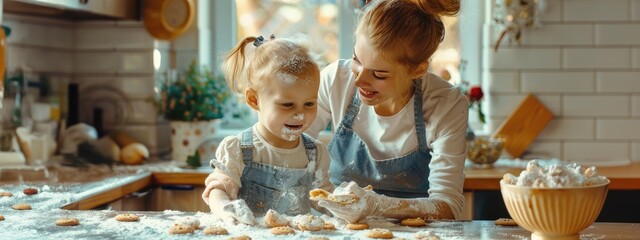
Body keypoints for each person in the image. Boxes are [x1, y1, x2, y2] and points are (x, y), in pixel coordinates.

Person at [306, 0, 467, 223]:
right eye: (356, 60)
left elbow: (447, 205)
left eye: (379, 75)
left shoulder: (445, 104)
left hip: (416, 235)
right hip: (337, 228)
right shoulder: (336, 81)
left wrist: (378, 205)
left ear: (418, 69)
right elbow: (291, 151)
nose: (360, 80)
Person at [201, 34, 333, 224]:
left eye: (309, 104)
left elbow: (323, 198)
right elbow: (218, 189)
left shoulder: (315, 153)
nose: (300, 115)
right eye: (288, 105)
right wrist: (224, 207)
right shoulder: (239, 149)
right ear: (254, 100)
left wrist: (342, 202)